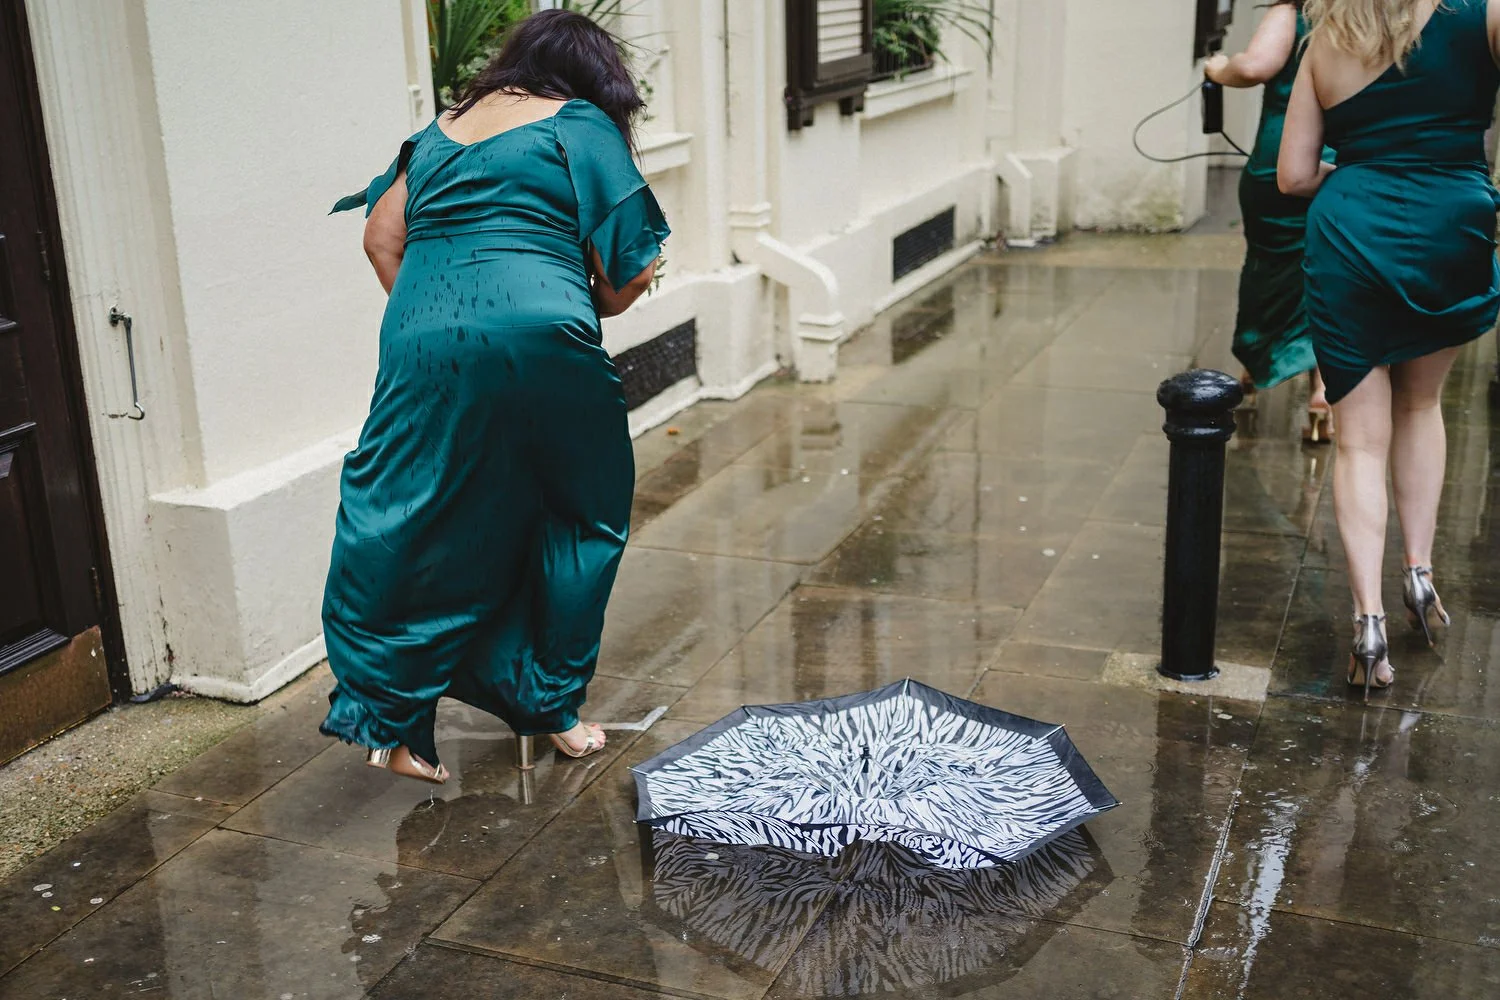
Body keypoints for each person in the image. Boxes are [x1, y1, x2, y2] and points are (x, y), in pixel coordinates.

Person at [319, 9, 669, 783]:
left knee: (416, 512)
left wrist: (440, 329)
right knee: (579, 514)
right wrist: (560, 310)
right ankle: (553, 710)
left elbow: (381, 237)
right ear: (595, 83)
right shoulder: (580, 127)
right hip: (540, 339)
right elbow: (630, 273)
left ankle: (391, 727)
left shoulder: (438, 133)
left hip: (420, 340)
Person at [1279, 0, 1500, 697]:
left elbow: (1291, 176)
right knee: (1422, 404)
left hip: (1350, 227)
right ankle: (1418, 572)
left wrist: (1359, 175)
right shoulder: (1485, 17)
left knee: (1358, 442)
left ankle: (1367, 621)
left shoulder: (1323, 41)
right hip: (1452, 221)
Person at [1206, 0, 1335, 443]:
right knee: (1329, 270)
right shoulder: (1371, 15)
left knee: (1268, 262)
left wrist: (1219, 68)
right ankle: (1323, 390)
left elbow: (1256, 66)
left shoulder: (1291, 12)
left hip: (1285, 158)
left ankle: (1255, 368)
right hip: (1342, 160)